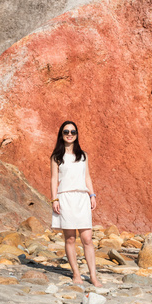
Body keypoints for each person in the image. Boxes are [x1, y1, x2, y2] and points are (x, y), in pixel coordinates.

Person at [50, 120, 102, 287]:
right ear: (61, 134)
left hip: (81, 198)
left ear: (77, 134)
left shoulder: (83, 155)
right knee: (70, 238)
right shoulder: (56, 157)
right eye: (66, 132)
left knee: (87, 238)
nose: (70, 134)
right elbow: (53, 179)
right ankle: (76, 274)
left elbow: (87, 177)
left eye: (73, 132)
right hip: (65, 198)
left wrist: (92, 195)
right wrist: (54, 199)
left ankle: (93, 276)